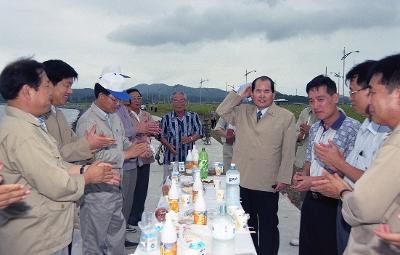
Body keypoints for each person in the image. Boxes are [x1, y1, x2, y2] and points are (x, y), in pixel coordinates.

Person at [0, 58, 117, 255]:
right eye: (47, 86)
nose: (50, 91)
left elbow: (55, 162)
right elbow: (56, 184)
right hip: (36, 239)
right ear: (28, 91)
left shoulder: (31, 126)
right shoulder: (23, 134)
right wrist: (88, 176)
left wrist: (84, 168)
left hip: (46, 231)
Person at [310, 60, 390, 254]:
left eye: (354, 92)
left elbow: (378, 185)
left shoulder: (389, 133)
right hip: (348, 208)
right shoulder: (366, 127)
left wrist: (338, 164)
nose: (351, 98)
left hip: (373, 223)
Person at [328, 53, 400, 254]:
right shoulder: (371, 127)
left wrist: (342, 190)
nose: (371, 100)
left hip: (373, 237)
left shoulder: (395, 142)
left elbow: (363, 206)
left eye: (374, 92)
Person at [216, 76, 296, 255]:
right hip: (243, 180)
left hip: (268, 182)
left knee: (268, 226)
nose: (262, 95)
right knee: (246, 224)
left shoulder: (286, 117)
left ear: (273, 94)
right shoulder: (242, 111)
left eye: (266, 91)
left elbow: (288, 150)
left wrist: (284, 178)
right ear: (251, 93)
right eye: (257, 91)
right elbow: (221, 110)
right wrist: (238, 94)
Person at [75, 69, 151, 254]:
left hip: (116, 189)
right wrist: (126, 154)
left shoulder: (114, 116)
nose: (117, 103)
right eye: (113, 99)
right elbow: (91, 157)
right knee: (94, 243)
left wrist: (138, 146)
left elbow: (122, 141)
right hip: (96, 194)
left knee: (116, 238)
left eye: (119, 99)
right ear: (101, 96)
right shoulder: (88, 122)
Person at [292, 75, 360, 255]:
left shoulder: (352, 129)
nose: (315, 106)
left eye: (321, 99)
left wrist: (311, 181)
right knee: (307, 247)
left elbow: (349, 172)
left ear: (335, 98)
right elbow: (309, 159)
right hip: (311, 201)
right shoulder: (315, 128)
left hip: (335, 204)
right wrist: (302, 175)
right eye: (311, 101)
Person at [43, 60, 115, 162]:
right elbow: (51, 158)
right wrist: (87, 144)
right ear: (48, 84)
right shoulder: (37, 118)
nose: (70, 91)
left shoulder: (58, 114)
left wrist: (92, 143)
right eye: (67, 85)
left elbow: (73, 143)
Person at [125, 88, 160, 229]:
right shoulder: (124, 115)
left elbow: (154, 130)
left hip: (145, 157)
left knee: (142, 189)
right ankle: (127, 220)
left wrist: (150, 131)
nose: (137, 100)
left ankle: (136, 219)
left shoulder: (146, 114)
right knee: (129, 191)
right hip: (131, 158)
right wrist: (140, 132)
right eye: (134, 98)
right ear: (127, 100)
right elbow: (124, 135)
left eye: (139, 98)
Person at [160, 91, 203, 180]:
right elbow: (160, 135)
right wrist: (168, 146)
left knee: (189, 184)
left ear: (185, 102)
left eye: (181, 100)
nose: (179, 103)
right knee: (169, 186)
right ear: (171, 102)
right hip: (171, 160)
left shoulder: (193, 116)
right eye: (175, 101)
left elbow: (200, 132)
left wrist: (190, 138)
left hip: (189, 160)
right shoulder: (166, 118)